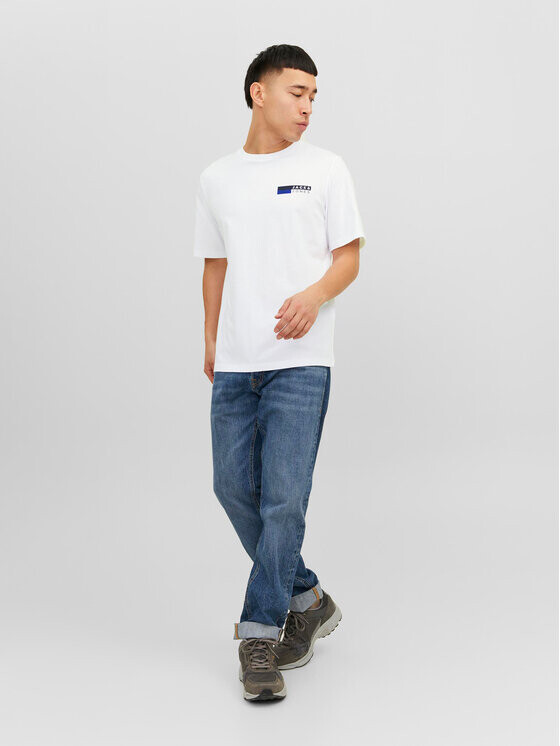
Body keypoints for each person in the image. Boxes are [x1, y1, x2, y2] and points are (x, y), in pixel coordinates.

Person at [193, 43, 366, 702]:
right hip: (238, 362)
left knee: (284, 500)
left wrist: (314, 296)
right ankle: (308, 597)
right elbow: (214, 263)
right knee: (232, 487)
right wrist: (211, 336)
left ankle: (260, 634)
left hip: (301, 362)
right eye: (297, 92)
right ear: (258, 92)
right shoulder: (217, 178)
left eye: (314, 96)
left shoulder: (325, 169)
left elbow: (348, 257)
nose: (308, 106)